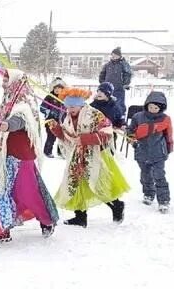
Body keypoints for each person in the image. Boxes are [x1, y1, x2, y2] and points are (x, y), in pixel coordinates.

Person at [0, 69, 58, 245]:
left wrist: (8, 125)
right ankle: (0, 230)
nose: (4, 83)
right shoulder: (7, 100)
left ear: (16, 82)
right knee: (1, 191)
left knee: (28, 191)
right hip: (1, 154)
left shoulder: (24, 102)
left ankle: (46, 219)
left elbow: (22, 119)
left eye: (7, 80)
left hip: (20, 156)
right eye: (3, 80)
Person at [48, 87, 129, 228]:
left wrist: (86, 139)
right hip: (77, 156)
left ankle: (116, 205)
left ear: (80, 104)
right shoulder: (66, 118)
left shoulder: (94, 115)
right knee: (76, 184)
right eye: (68, 106)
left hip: (96, 156)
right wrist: (56, 129)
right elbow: (68, 137)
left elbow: (107, 132)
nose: (70, 109)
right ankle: (80, 217)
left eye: (73, 106)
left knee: (98, 184)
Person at [126, 91, 173, 213]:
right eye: (150, 106)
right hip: (142, 152)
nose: (152, 109)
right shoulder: (138, 117)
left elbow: (169, 135)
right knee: (145, 175)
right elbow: (130, 132)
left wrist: (169, 148)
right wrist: (132, 140)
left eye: (156, 108)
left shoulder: (165, 119)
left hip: (158, 153)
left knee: (159, 176)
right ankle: (148, 194)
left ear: (161, 108)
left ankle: (163, 200)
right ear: (146, 105)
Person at [99, 47, 132, 113]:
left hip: (119, 88)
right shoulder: (107, 65)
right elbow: (102, 74)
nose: (113, 56)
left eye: (115, 55)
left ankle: (120, 116)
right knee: (107, 103)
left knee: (118, 103)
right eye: (112, 55)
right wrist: (102, 83)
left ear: (119, 56)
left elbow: (128, 74)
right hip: (108, 88)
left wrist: (125, 83)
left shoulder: (124, 64)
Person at [40, 77, 66, 158]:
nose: (57, 90)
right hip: (50, 120)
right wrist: (49, 112)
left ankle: (61, 152)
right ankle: (47, 151)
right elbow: (42, 107)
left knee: (62, 137)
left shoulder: (65, 98)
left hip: (61, 121)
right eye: (56, 88)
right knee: (51, 136)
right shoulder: (49, 97)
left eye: (59, 88)